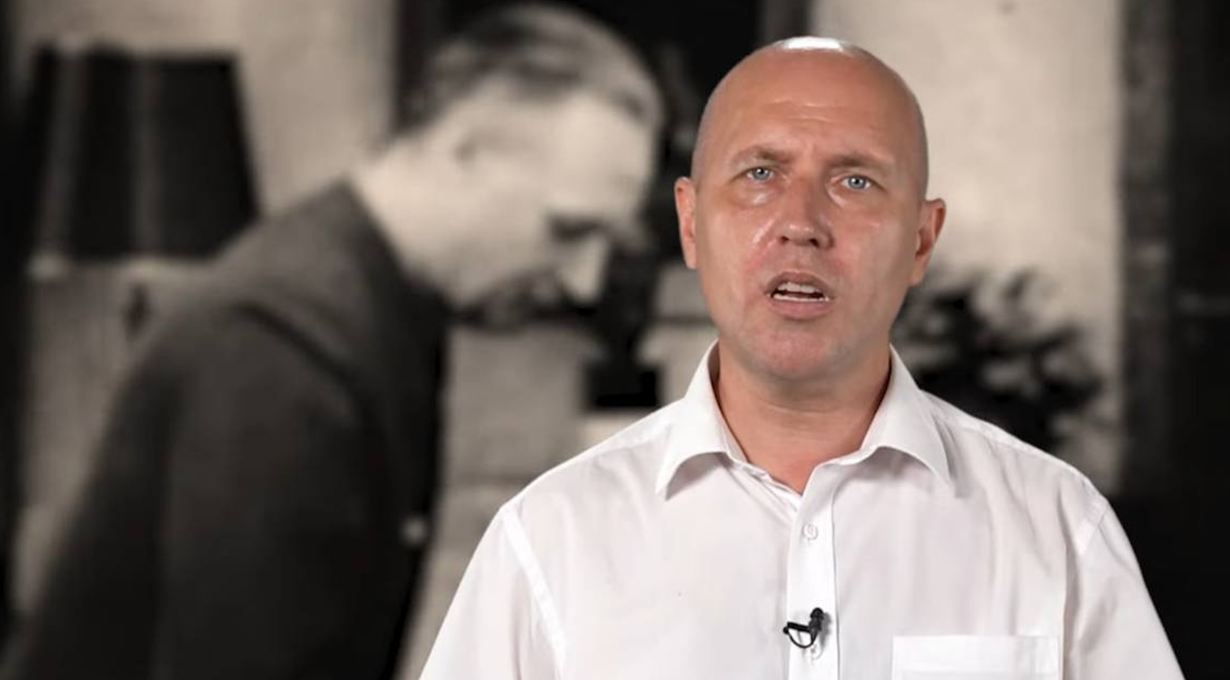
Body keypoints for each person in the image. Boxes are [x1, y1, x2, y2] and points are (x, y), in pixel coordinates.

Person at [418, 38, 1184, 679]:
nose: (801, 223)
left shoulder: (1055, 527)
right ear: (691, 223)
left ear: (921, 240)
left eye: (855, 181)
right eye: (760, 175)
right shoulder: (551, 539)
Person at [0, 5, 661, 680]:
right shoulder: (282, 350)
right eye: (568, 230)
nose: (584, 281)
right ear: (465, 150)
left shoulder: (381, 306)